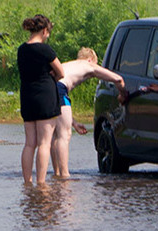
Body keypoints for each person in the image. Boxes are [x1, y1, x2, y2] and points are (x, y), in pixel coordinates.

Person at [51, 47, 127, 178]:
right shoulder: (88, 65)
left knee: (55, 134)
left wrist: (74, 123)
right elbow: (118, 79)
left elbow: (60, 110)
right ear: (90, 60)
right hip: (60, 88)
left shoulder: (69, 65)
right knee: (64, 135)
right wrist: (122, 94)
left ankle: (57, 173)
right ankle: (64, 175)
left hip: (48, 88)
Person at [17, 14, 64, 185]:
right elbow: (61, 72)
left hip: (27, 96)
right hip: (45, 96)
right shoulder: (46, 50)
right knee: (44, 143)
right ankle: (41, 182)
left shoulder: (21, 49)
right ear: (44, 31)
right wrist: (52, 75)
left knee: (30, 143)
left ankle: (27, 181)